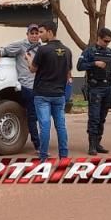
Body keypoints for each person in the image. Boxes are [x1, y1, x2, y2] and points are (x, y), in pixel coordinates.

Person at [0, 24, 42, 153]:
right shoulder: (20, 45)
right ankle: (38, 145)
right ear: (27, 34)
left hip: (41, 87)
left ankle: (41, 142)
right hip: (27, 86)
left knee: (42, 117)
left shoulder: (42, 49)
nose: (34, 36)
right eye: (32, 33)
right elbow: (2, 50)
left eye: (36, 33)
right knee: (32, 116)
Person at [28, 20, 72, 162]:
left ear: (50, 32)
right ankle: (64, 157)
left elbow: (33, 69)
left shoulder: (43, 50)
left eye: (41, 32)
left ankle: (43, 158)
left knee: (45, 126)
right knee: (61, 126)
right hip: (59, 94)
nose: (39, 36)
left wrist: (28, 59)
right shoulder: (68, 51)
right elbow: (68, 73)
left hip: (42, 94)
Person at [77, 27, 111, 155]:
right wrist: (94, 63)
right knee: (94, 117)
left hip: (107, 88)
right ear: (99, 38)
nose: (107, 44)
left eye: (109, 42)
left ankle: (98, 143)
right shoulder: (89, 51)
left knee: (102, 118)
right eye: (105, 41)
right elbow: (80, 66)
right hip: (95, 88)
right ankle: (92, 145)